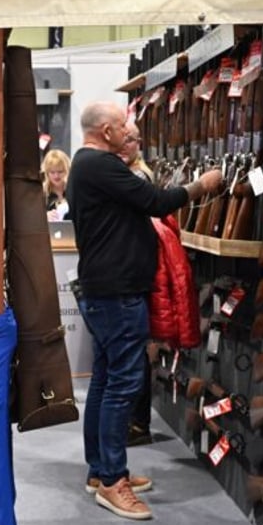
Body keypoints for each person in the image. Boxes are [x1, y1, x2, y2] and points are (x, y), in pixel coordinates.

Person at [66, 101, 222, 521]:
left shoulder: (88, 165)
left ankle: (102, 471)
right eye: (121, 125)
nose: (128, 130)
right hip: (117, 294)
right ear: (104, 130)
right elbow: (157, 200)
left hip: (108, 291)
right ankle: (112, 480)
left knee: (106, 380)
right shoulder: (100, 166)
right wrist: (202, 185)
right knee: (121, 385)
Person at [118, 121, 154, 447]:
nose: (128, 144)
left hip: (133, 278)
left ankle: (138, 423)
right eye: (126, 138)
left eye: (133, 140)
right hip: (129, 276)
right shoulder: (124, 174)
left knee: (133, 357)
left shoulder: (137, 177)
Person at [41, 148, 71, 221]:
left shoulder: (73, 191)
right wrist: (44, 217)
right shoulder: (41, 193)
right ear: (47, 173)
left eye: (60, 172)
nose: (56, 176)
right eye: (52, 172)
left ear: (67, 170)